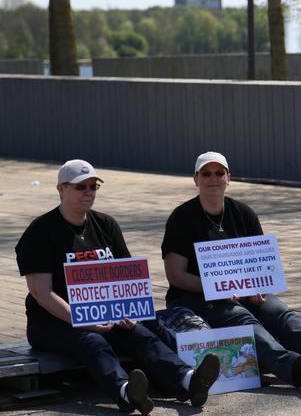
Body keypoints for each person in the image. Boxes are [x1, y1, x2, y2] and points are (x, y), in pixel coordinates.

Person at [16, 159, 220, 414]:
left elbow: (126, 278)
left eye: (93, 187)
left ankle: (188, 380)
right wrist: (83, 320)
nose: (88, 192)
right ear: (61, 189)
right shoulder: (41, 231)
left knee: (139, 331)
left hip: (103, 313)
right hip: (51, 322)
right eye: (81, 187)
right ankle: (127, 392)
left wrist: (129, 310)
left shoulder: (106, 225)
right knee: (92, 341)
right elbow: (41, 293)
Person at [161, 151, 301, 389]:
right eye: (206, 173)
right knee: (241, 317)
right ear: (196, 179)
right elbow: (176, 275)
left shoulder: (243, 213)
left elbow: (258, 263)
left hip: (239, 291)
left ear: (228, 178)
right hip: (193, 297)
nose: (213, 178)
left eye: (219, 173)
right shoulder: (182, 218)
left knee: (279, 311)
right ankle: (294, 368)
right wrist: (216, 289)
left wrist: (257, 288)